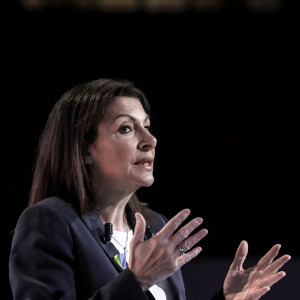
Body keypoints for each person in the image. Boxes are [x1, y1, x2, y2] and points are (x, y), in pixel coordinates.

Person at [9, 78, 291, 300]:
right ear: (84, 149)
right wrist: (136, 281)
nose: (150, 140)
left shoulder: (156, 226)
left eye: (146, 126)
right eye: (126, 129)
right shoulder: (50, 221)